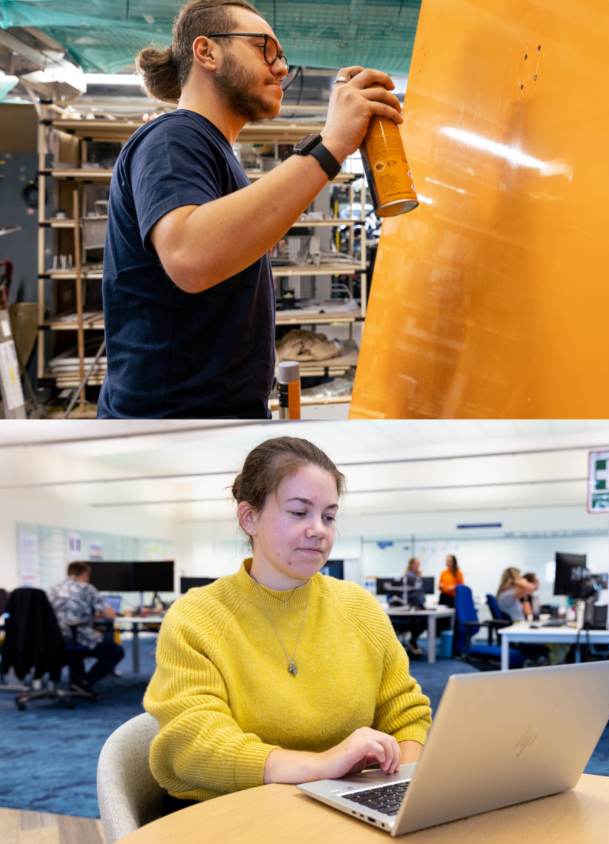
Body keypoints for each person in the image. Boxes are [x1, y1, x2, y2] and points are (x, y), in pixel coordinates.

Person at [101, 0, 403, 417]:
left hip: (208, 422)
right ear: (207, 51)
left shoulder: (212, 150)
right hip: (170, 427)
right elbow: (190, 256)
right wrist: (330, 146)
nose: (281, 68)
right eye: (265, 48)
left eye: (281, 56)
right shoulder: (174, 138)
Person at [143, 437, 431, 805]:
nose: (320, 530)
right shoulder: (197, 617)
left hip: (346, 805)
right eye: (299, 512)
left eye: (329, 516)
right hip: (232, 811)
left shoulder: (359, 607)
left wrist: (397, 793)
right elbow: (195, 742)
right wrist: (321, 766)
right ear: (250, 518)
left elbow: (406, 714)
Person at [45, 562, 124, 698]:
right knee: (115, 651)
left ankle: (76, 680)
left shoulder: (52, 589)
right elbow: (109, 614)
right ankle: (84, 682)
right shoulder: (87, 588)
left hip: (54, 639)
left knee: (77, 651)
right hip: (79, 637)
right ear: (85, 574)